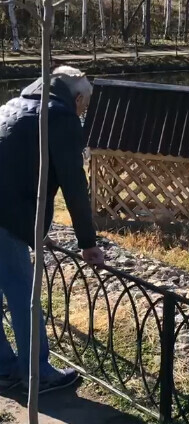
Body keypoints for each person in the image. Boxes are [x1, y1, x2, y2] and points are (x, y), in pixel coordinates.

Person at [0, 66, 104, 394]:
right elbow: (74, 185)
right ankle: (37, 375)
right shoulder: (60, 119)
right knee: (23, 294)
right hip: (8, 217)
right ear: (76, 99)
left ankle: (4, 367)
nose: (84, 111)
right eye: (85, 104)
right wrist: (88, 243)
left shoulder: (13, 106)